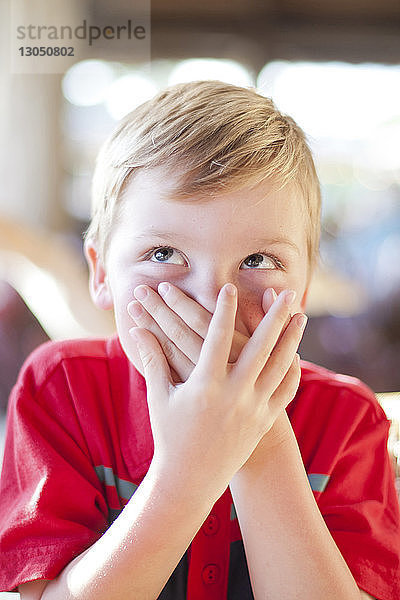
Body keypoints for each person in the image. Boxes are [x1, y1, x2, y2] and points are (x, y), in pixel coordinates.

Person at [0, 80, 399, 600]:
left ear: (302, 290)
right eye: (164, 253)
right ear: (101, 275)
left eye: (258, 261)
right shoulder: (62, 389)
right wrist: (189, 470)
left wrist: (258, 441)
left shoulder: (346, 421)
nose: (214, 301)